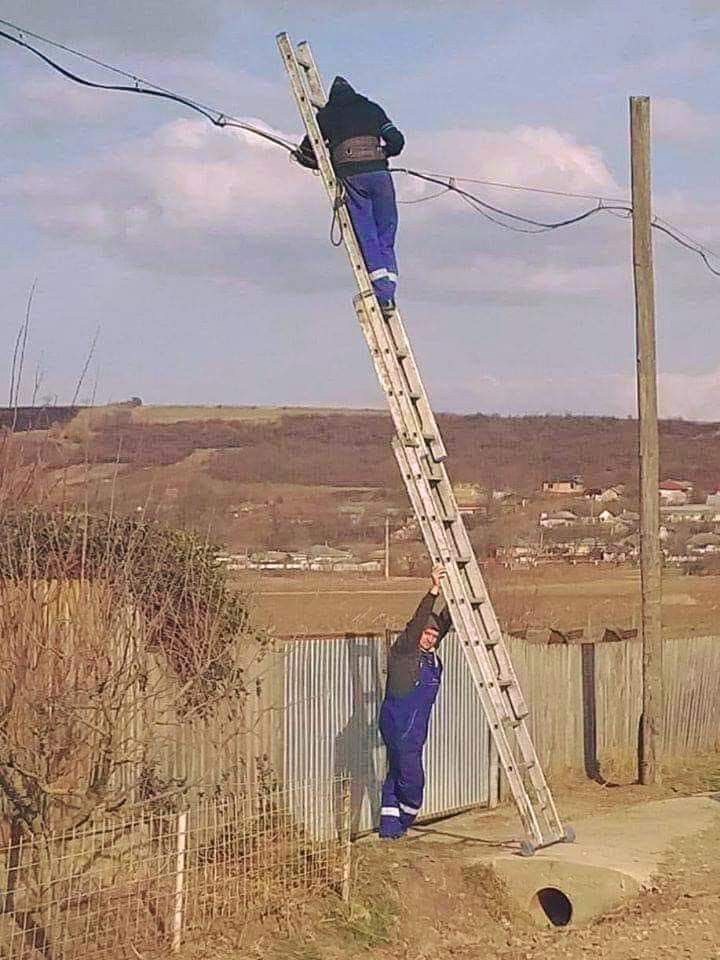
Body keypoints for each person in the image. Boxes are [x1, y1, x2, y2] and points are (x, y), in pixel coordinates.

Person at [294, 76, 405, 314]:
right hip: (379, 175)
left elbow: (305, 153)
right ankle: (389, 292)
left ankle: (382, 292)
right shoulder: (372, 109)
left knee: (366, 233)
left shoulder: (325, 117)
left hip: (351, 178)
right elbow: (397, 141)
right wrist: (382, 152)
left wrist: (329, 160)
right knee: (386, 231)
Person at [378, 565, 451, 839]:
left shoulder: (432, 657)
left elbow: (444, 623)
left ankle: (389, 830)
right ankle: (405, 821)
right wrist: (433, 591)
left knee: (395, 775)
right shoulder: (405, 651)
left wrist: (456, 592)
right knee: (412, 781)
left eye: (434, 635)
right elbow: (418, 622)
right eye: (427, 633)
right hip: (398, 724)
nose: (430, 637)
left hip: (416, 730)